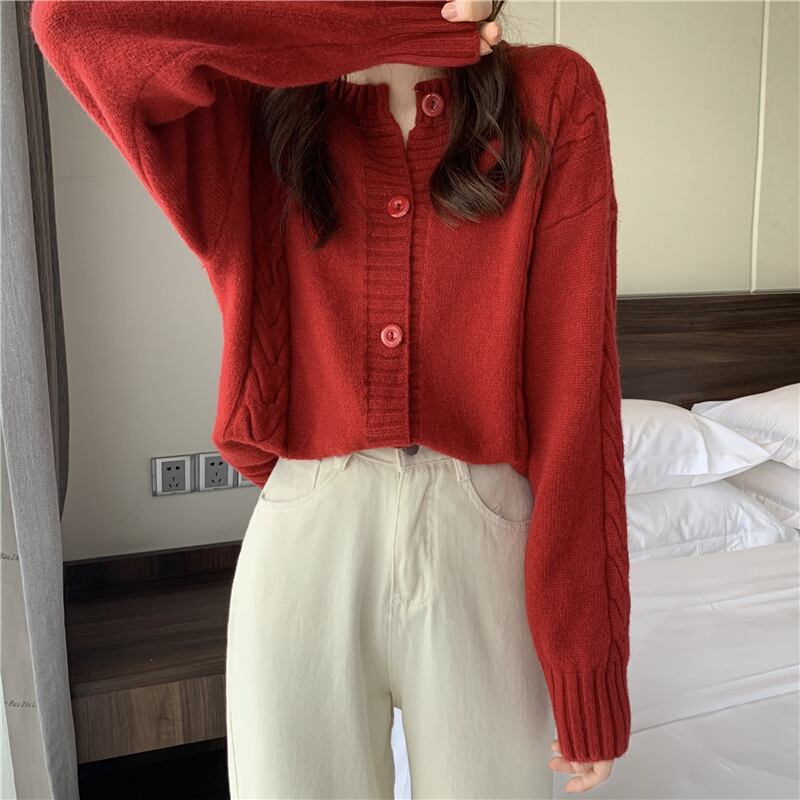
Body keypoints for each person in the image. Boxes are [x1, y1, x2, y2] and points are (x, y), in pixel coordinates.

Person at [29, 1, 631, 797]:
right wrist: (395, 23)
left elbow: (576, 396)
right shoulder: (252, 96)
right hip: (307, 538)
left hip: (483, 537)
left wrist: (589, 658)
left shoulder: (553, 94)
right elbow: (69, 21)